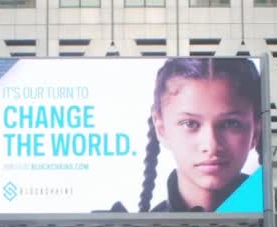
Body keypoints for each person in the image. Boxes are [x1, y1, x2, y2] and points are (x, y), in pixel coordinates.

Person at [106, 58, 262, 213]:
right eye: (190, 123)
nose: (211, 146)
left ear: (256, 129)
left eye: (230, 123)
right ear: (161, 128)